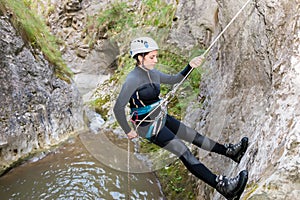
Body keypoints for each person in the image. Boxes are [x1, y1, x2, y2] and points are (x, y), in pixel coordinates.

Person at [113, 36, 249, 200]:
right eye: (151, 57)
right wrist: (128, 131)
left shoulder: (153, 73)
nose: (155, 60)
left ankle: (230, 152)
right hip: (148, 127)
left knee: (194, 136)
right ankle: (223, 187)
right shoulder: (132, 80)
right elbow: (118, 108)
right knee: (184, 152)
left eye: (156, 56)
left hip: (160, 116)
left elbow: (175, 79)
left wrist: (189, 67)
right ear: (139, 58)